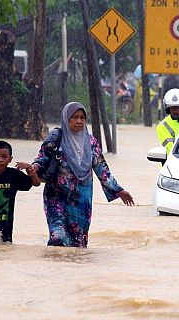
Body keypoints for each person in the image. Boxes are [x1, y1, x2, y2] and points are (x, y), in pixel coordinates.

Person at [31, 102, 134, 248]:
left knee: (78, 243)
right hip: (56, 197)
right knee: (58, 238)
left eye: (82, 118)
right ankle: (54, 268)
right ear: (66, 118)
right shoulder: (56, 137)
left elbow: (101, 169)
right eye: (74, 117)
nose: (79, 121)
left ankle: (76, 269)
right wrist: (34, 167)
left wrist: (118, 190)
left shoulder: (91, 142)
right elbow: (42, 158)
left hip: (81, 201)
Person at [156, 88, 179, 154]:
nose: (175, 111)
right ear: (168, 109)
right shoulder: (161, 127)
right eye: (172, 108)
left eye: (178, 107)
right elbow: (171, 150)